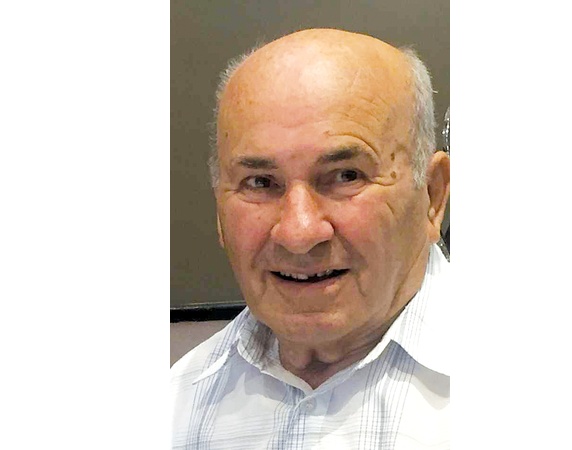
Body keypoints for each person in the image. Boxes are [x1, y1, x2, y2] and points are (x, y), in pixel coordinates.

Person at [171, 28, 450, 449]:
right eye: (260, 182)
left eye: (346, 176)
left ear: (432, 196)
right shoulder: (172, 405)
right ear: (219, 212)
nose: (298, 233)